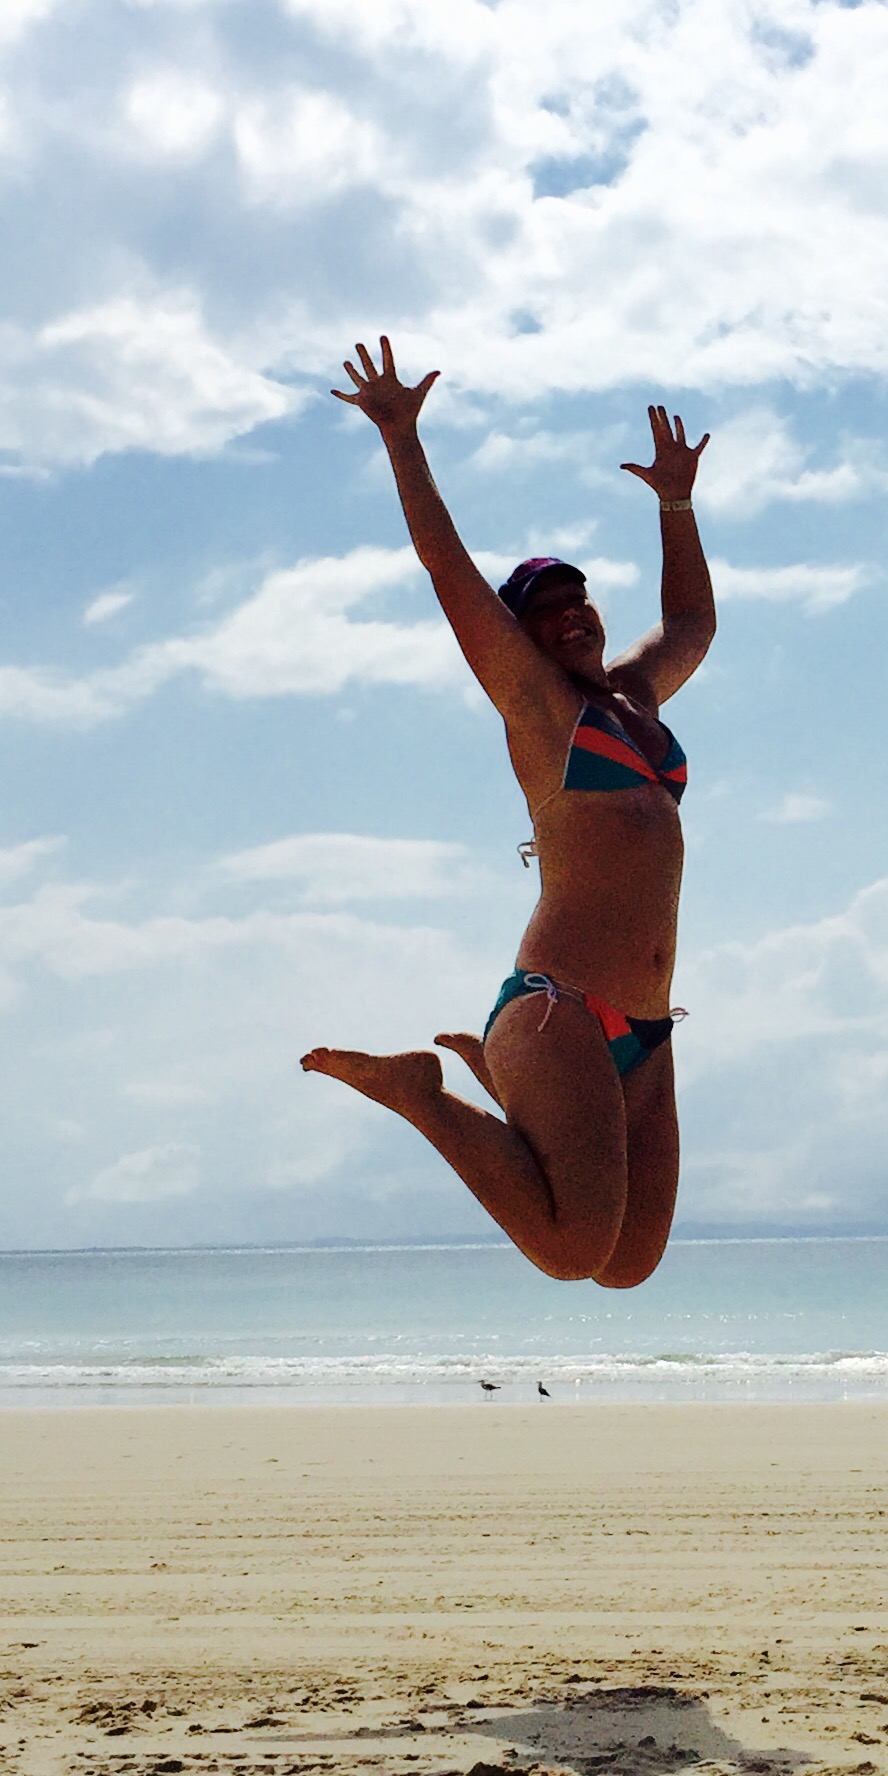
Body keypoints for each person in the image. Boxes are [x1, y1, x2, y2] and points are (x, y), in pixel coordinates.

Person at [301, 338, 715, 1289]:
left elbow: (692, 624)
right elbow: (446, 570)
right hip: (557, 1007)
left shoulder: (634, 699)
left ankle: (503, 1090)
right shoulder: (539, 709)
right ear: (520, 638)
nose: (572, 615)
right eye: (545, 609)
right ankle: (423, 1094)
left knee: (627, 1266)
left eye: (580, 599)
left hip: (644, 1025)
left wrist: (675, 503)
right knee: (571, 1253)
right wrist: (402, 438)